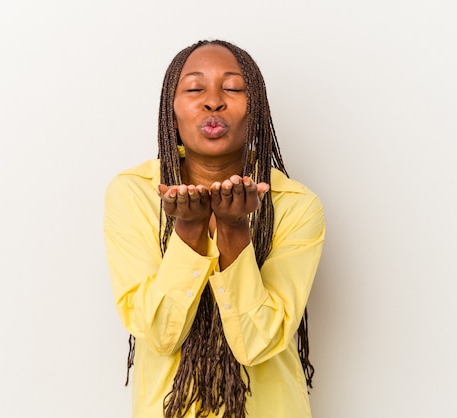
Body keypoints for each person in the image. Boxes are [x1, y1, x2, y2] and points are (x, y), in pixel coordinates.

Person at [104, 39, 325, 418]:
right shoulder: (134, 193)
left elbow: (258, 342)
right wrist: (187, 232)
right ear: (170, 111)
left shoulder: (294, 203)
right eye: (194, 88)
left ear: (255, 110)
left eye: (234, 88)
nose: (213, 101)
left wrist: (235, 230)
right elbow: (159, 334)